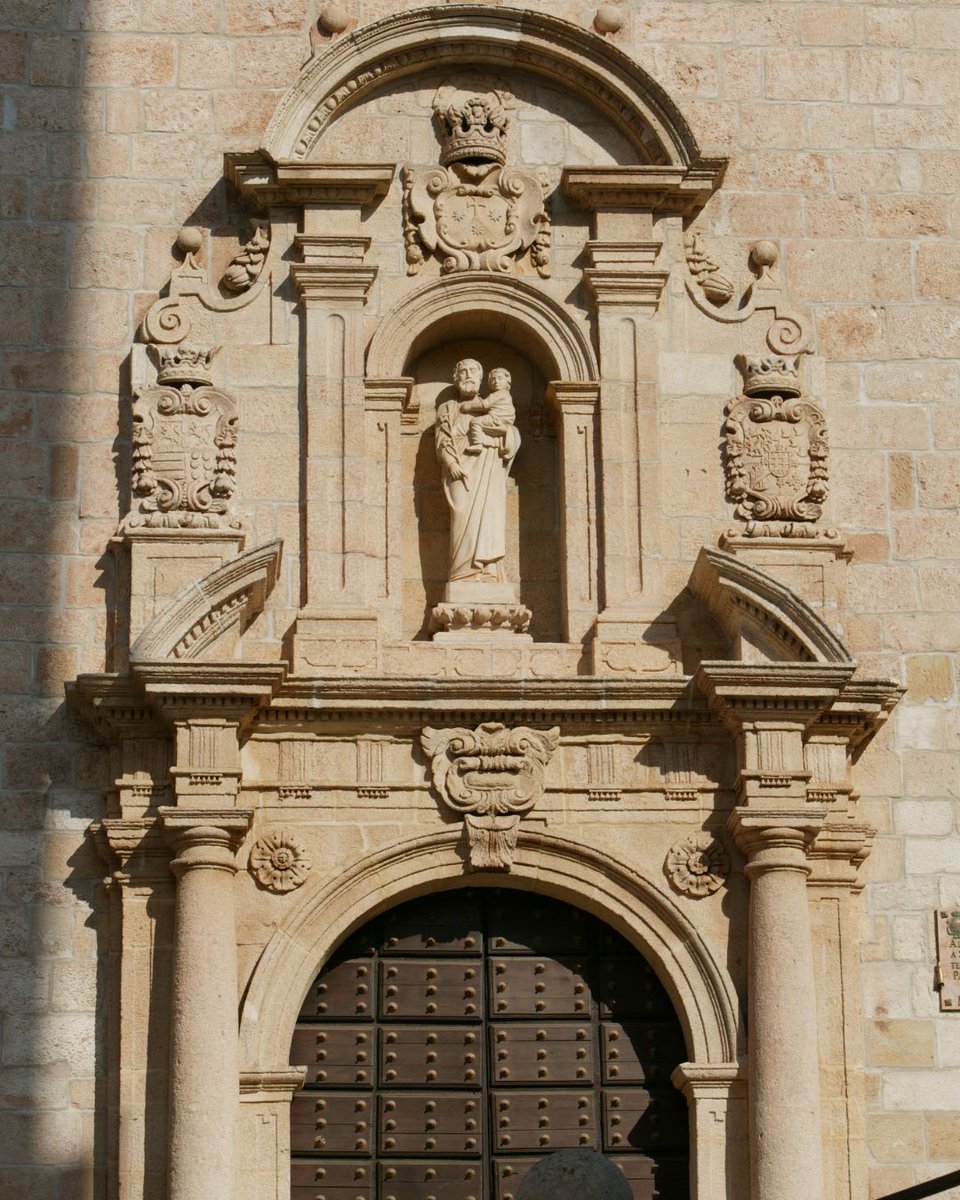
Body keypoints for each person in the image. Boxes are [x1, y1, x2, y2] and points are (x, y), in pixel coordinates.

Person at [434, 359, 521, 584]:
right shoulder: (448, 407)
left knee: (490, 516)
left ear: (481, 378)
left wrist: (503, 436)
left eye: (473, 371)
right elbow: (442, 439)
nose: (467, 375)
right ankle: (461, 573)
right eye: (462, 371)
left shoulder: (490, 404)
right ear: (456, 378)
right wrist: (451, 463)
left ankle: (489, 571)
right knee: (462, 514)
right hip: (460, 470)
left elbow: (511, 435)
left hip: (489, 468)